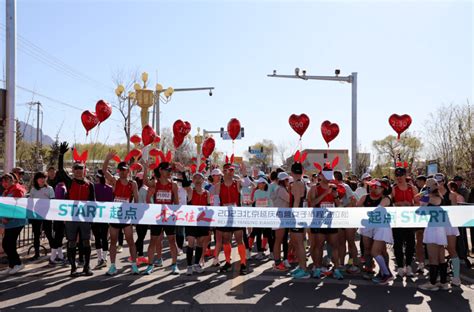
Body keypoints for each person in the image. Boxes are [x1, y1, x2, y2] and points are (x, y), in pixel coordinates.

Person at [57, 142, 95, 277]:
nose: (79, 170)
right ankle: (73, 267)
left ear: (84, 170)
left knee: (86, 242)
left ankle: (86, 266)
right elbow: (60, 171)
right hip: (72, 218)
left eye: (81, 168)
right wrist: (61, 155)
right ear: (73, 170)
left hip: (84, 218)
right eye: (76, 168)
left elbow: (93, 203)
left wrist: (93, 218)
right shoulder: (69, 182)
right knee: (71, 242)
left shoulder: (89, 185)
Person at [102, 152, 140, 275]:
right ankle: (113, 266)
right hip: (115, 215)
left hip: (127, 215)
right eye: (121, 170)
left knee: (130, 241)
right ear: (118, 171)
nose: (123, 172)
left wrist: (135, 214)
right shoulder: (115, 181)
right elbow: (104, 172)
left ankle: (134, 265)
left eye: (125, 170)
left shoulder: (132, 183)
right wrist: (107, 158)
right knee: (113, 241)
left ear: (128, 171)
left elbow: (137, 200)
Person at [142, 161, 180, 275]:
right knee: (153, 241)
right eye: (167, 170)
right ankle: (150, 265)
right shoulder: (155, 183)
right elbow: (145, 182)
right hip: (157, 217)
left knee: (172, 241)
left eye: (170, 170)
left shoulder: (173, 185)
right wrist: (145, 169)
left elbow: (177, 202)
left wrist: (174, 213)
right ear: (160, 170)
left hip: (168, 216)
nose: (169, 172)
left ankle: (174, 265)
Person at [213, 162, 250, 275]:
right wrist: (216, 217)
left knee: (239, 239)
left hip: (236, 215)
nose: (230, 172)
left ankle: (243, 263)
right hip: (224, 216)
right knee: (226, 240)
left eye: (232, 170)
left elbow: (248, 184)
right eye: (228, 170)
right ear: (223, 172)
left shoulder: (237, 183)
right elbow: (215, 202)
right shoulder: (218, 185)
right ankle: (228, 262)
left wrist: (244, 174)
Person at [307, 167, 344, 280]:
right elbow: (312, 203)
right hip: (318, 220)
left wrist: (335, 195)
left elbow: (339, 205)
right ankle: (318, 269)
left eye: (330, 178)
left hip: (331, 220)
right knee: (318, 245)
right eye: (326, 177)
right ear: (320, 176)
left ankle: (336, 269)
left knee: (334, 245)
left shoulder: (334, 188)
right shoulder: (314, 188)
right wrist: (324, 194)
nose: (329, 180)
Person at [358, 179, 394, 285]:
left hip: (381, 227)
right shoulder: (366, 197)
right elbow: (356, 209)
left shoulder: (386, 199)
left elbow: (377, 210)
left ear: (383, 189)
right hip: (368, 226)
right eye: (373, 186)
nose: (374, 188)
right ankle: (376, 271)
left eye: (376, 187)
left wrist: (366, 215)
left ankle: (385, 273)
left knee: (379, 251)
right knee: (368, 249)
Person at [418, 178, 450, 291]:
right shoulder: (436, 196)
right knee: (441, 257)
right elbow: (421, 205)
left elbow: (421, 207)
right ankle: (443, 282)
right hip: (438, 228)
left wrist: (425, 193)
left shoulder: (435, 197)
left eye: (427, 186)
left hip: (434, 228)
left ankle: (433, 283)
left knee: (433, 257)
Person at [392, 167, 419, 278]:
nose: (399, 178)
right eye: (397, 176)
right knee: (398, 244)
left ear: (405, 175)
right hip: (397, 220)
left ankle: (408, 266)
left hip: (409, 220)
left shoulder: (412, 188)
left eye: (401, 175)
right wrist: (399, 204)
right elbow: (390, 203)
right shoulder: (393, 188)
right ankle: (399, 267)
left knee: (411, 244)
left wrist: (410, 205)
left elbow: (418, 203)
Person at [435, 173, 461, 286]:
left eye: (440, 181)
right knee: (439, 250)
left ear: (444, 182)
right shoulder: (432, 194)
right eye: (435, 182)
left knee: (451, 249)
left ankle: (456, 277)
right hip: (436, 225)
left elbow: (455, 212)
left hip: (449, 225)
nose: (438, 184)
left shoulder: (451, 195)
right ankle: (442, 275)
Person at [0, 173, 27, 275]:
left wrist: (8, 218)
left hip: (16, 221)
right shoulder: (6, 191)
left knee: (9, 244)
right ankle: (12, 265)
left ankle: (18, 264)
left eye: (7, 181)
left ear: (13, 181)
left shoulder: (17, 190)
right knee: (6, 244)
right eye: (3, 181)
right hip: (8, 222)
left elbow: (17, 206)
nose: (4, 183)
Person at [184, 172, 210, 275]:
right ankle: (189, 266)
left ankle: (196, 264)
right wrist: (183, 172)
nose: (198, 180)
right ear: (193, 181)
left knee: (200, 243)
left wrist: (210, 224)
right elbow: (186, 184)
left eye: (200, 178)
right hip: (191, 221)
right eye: (195, 178)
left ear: (203, 180)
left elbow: (209, 208)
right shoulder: (190, 191)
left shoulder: (207, 193)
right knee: (191, 243)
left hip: (203, 222)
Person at [334, 170, 359, 274]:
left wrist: (343, 208)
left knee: (350, 242)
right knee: (341, 242)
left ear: (336, 178)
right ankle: (341, 264)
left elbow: (353, 201)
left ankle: (352, 263)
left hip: (349, 218)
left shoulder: (345, 187)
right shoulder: (331, 188)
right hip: (338, 218)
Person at [288, 161, 310, 279]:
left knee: (299, 242)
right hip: (301, 214)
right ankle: (302, 266)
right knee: (298, 242)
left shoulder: (297, 183)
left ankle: (304, 269)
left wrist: (294, 216)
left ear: (292, 172)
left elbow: (296, 201)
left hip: (298, 215)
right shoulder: (302, 182)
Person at [28, 172, 56, 264]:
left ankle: (53, 254)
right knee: (36, 235)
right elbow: (30, 203)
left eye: (44, 178)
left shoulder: (50, 189)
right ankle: (36, 254)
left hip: (47, 215)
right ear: (36, 179)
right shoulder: (33, 190)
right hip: (36, 215)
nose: (42, 180)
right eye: (40, 178)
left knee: (49, 234)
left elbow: (53, 202)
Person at [92, 170, 113, 269]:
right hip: (105, 216)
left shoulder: (93, 187)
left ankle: (100, 259)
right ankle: (104, 258)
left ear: (97, 177)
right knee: (104, 237)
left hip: (95, 215)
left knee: (97, 237)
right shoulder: (110, 188)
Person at [249, 177, 274, 260]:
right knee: (258, 234)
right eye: (258, 183)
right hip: (258, 216)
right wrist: (249, 202)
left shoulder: (269, 191)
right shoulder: (256, 192)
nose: (258, 184)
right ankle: (260, 252)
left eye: (260, 183)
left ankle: (272, 253)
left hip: (267, 216)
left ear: (264, 184)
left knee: (269, 235)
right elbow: (254, 202)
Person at [271, 172, 291, 271]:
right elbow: (290, 200)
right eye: (287, 180)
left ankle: (278, 261)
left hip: (280, 216)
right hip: (279, 217)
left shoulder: (279, 189)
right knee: (278, 240)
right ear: (283, 181)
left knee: (278, 240)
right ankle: (277, 262)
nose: (288, 182)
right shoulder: (281, 190)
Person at [134, 172, 151, 265]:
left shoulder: (136, 189)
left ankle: (140, 255)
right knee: (141, 237)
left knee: (140, 236)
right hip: (144, 216)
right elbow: (147, 203)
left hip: (136, 215)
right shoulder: (144, 189)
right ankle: (134, 255)